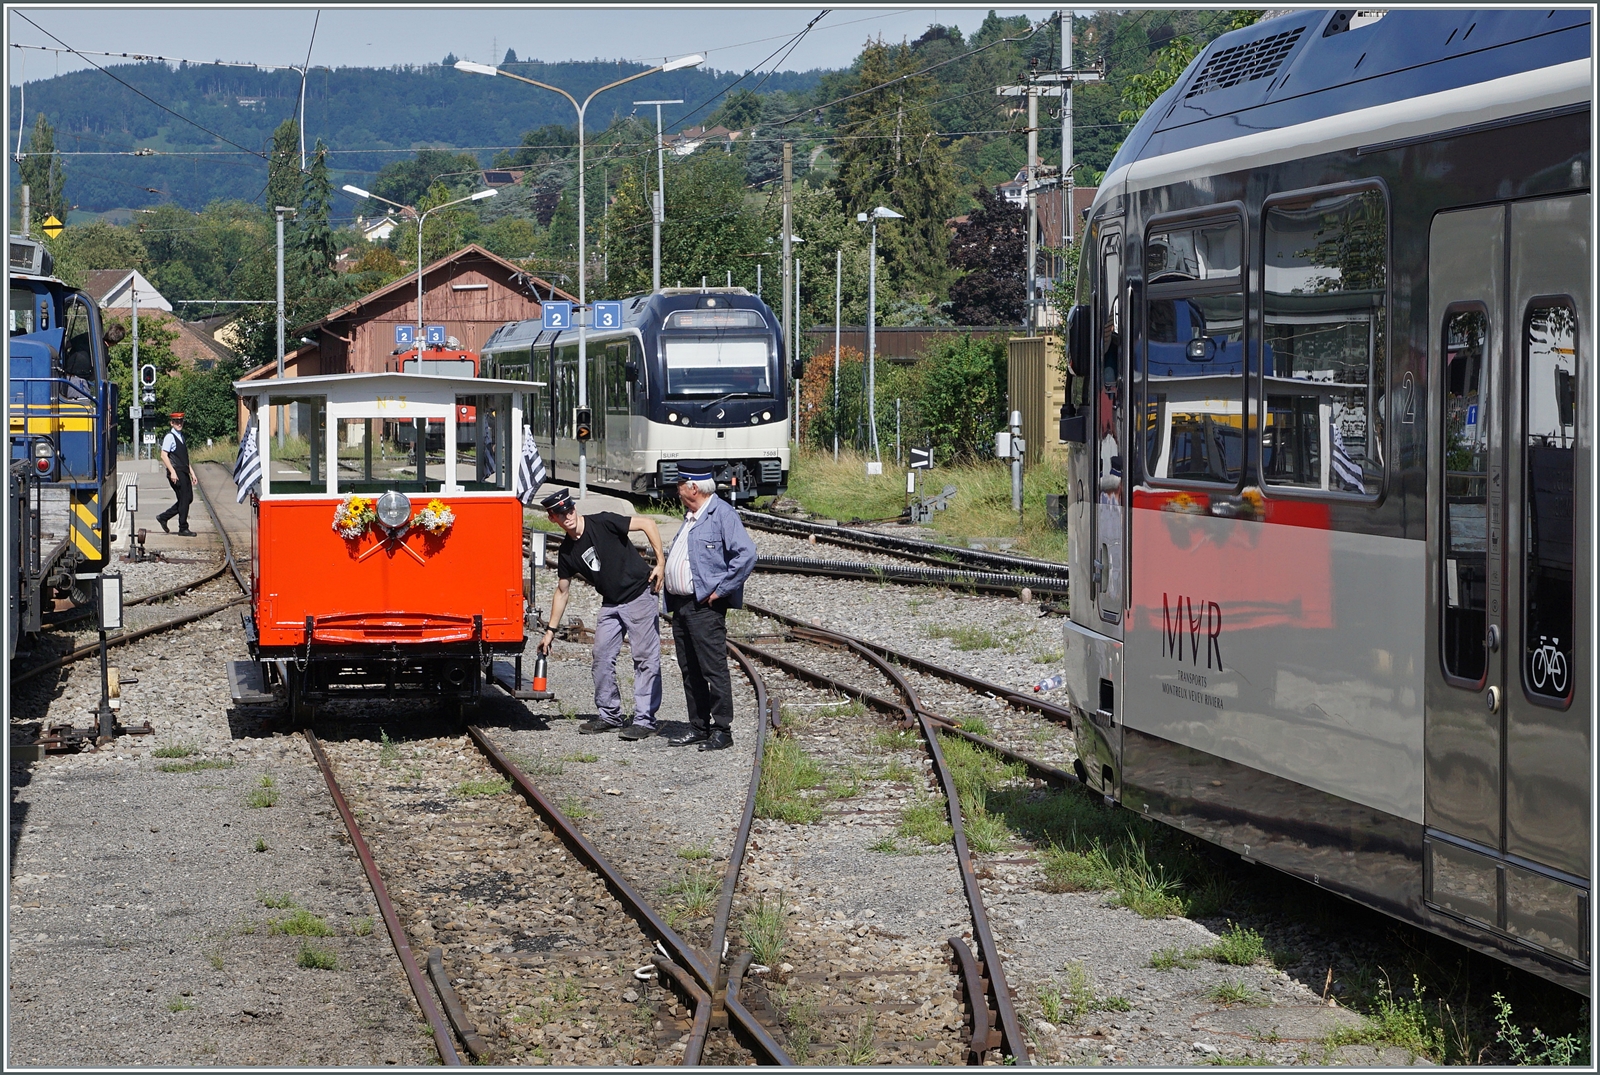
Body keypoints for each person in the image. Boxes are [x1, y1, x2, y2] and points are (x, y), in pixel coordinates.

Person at [538, 488, 667, 740]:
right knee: (601, 656)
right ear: (552, 518)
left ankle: (645, 720)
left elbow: (648, 523)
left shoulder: (603, 521)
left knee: (645, 658)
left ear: (574, 508)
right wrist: (550, 631)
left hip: (639, 594)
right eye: (560, 514)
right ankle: (610, 715)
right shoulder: (567, 552)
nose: (568, 516)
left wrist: (660, 562)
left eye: (569, 510)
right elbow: (562, 591)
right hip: (611, 603)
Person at [662, 466, 758, 751]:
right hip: (681, 606)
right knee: (689, 668)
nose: (677, 489)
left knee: (712, 669)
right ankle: (698, 726)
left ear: (694, 488)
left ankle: (722, 729)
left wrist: (721, 590)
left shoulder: (722, 515)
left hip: (704, 606)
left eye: (680, 484)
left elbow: (747, 554)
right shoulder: (690, 517)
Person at [156, 412, 198, 536]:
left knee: (187, 498)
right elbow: (163, 455)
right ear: (172, 423)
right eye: (176, 422)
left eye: (181, 421)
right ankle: (183, 527)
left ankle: (164, 517)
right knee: (184, 498)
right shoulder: (170, 437)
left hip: (183, 471)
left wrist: (192, 473)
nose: (179, 424)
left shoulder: (181, 436)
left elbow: (184, 458)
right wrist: (172, 472)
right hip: (176, 472)